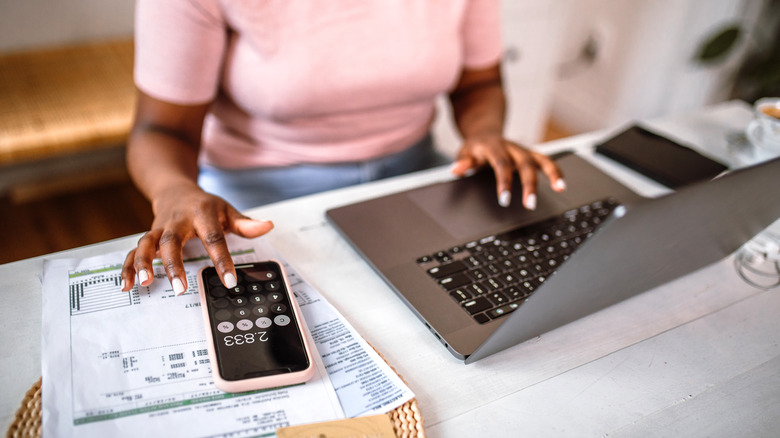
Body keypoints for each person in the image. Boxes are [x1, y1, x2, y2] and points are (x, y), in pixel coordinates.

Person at [120, 0, 566, 294]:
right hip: (253, 203)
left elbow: (480, 83)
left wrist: (484, 133)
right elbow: (161, 131)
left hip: (413, 175)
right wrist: (174, 190)